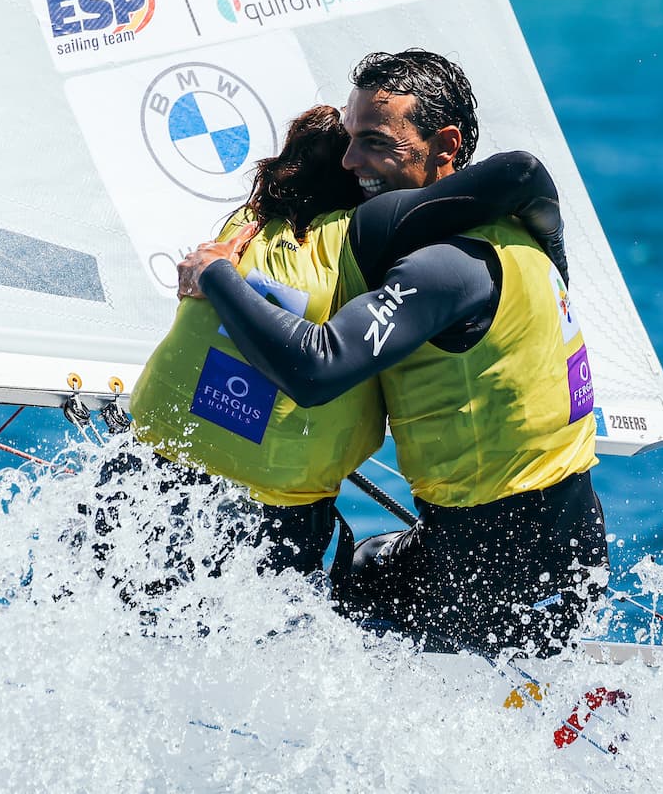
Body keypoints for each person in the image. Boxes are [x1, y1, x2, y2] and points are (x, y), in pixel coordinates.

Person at [176, 50, 609, 657]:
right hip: (571, 545)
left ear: (445, 147)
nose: (350, 161)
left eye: (375, 143)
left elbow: (316, 368)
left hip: (490, 567)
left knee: (329, 598)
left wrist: (216, 275)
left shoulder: (443, 266)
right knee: (370, 561)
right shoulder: (517, 229)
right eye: (350, 138)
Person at [120, 103, 573, 596]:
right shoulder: (365, 230)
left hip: (139, 479)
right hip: (279, 516)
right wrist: (556, 265)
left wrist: (211, 270)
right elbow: (519, 173)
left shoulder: (238, 229)